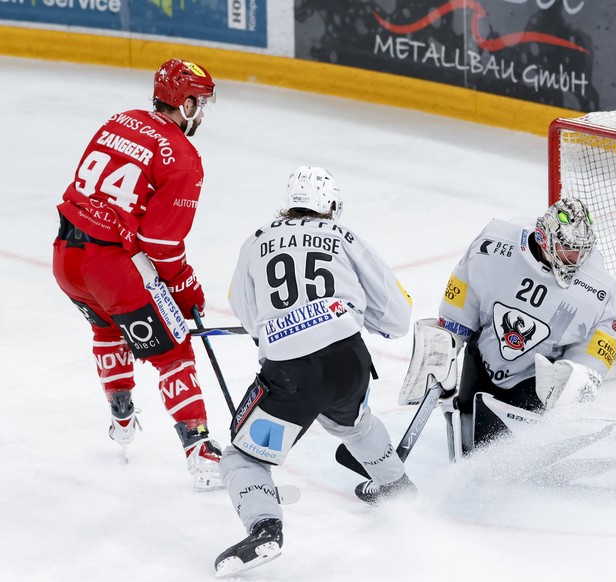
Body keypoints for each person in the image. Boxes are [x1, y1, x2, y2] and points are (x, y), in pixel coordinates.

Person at [398, 198, 616, 498]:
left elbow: (604, 336)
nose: (576, 257)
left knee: (512, 470)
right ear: (544, 238)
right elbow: (464, 286)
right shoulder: (495, 242)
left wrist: (578, 373)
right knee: (474, 453)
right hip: (484, 359)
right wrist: (448, 338)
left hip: (535, 380)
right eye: (569, 249)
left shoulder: (597, 285)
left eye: (582, 250)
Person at [214, 166, 416, 577]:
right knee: (353, 424)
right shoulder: (345, 236)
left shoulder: (256, 240)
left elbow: (249, 315)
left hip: (292, 377)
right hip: (349, 363)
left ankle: (264, 529)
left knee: (243, 457)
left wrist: (281, 329)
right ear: (332, 207)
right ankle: (396, 487)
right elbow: (396, 316)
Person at [52, 58, 223, 491]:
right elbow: (161, 243)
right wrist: (185, 287)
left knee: (108, 328)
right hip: (111, 266)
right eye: (199, 103)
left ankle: (122, 419)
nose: (201, 113)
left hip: (65, 256)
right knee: (174, 352)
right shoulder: (183, 158)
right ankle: (201, 454)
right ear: (183, 104)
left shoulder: (121, 119)